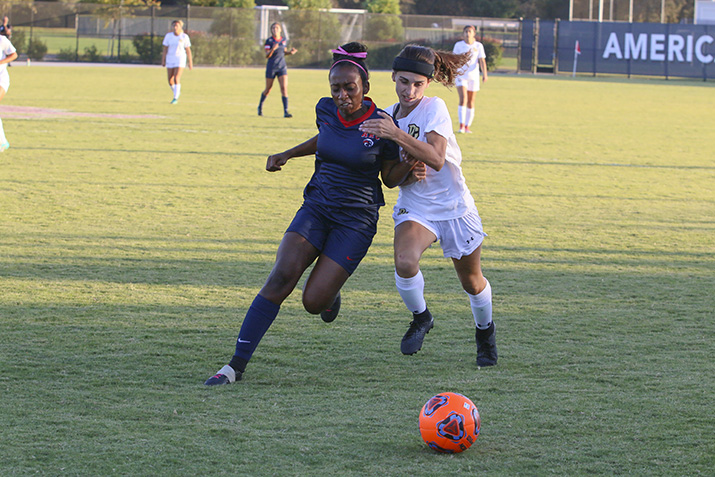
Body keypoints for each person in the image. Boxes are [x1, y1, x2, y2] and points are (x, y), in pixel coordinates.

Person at [205, 42, 412, 386]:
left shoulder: (381, 124)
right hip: (317, 205)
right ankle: (233, 367)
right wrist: (287, 153)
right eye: (336, 88)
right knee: (281, 276)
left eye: (350, 88)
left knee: (313, 302)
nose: (343, 95)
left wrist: (409, 164)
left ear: (365, 87)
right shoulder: (325, 109)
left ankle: (328, 292)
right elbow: (326, 138)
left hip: (356, 221)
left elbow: (389, 179)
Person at [359, 44, 498, 367]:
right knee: (405, 262)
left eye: (417, 84)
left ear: (428, 83)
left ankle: (484, 333)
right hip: (417, 206)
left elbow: (435, 158)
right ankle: (421, 317)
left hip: (454, 207)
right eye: (403, 82)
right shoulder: (387, 116)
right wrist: (407, 168)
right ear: (393, 77)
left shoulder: (434, 108)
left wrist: (398, 136)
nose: (409, 90)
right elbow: (391, 180)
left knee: (472, 282)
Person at [452, 25, 488, 134]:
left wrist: (485, 74)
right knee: (463, 99)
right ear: (463, 33)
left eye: (470, 31)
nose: (467, 33)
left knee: (471, 102)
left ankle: (468, 126)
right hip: (461, 76)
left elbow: (482, 60)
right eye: (466, 31)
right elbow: (454, 60)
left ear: (474, 33)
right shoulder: (459, 45)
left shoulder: (478, 46)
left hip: (473, 77)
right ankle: (461, 125)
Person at [258, 22, 297, 118]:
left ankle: (286, 111)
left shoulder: (283, 40)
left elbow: (284, 52)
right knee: (268, 89)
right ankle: (260, 107)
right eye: (273, 28)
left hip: (282, 67)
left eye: (277, 28)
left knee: (284, 88)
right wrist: (273, 49)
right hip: (271, 67)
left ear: (280, 30)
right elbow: (267, 55)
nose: (275, 30)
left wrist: (290, 53)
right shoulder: (269, 41)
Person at [161, 20, 192, 105]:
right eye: (174, 26)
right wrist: (163, 60)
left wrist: (190, 62)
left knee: (176, 78)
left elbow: (188, 50)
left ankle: (175, 98)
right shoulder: (168, 36)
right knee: (170, 80)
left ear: (180, 27)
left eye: (177, 26)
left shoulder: (184, 37)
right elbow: (165, 49)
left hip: (180, 59)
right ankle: (177, 92)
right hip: (170, 59)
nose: (175, 27)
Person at [0, 23, 17, 152]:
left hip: (1, 79)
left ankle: (2, 142)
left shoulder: (2, 40)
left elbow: (14, 55)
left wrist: (0, 62)